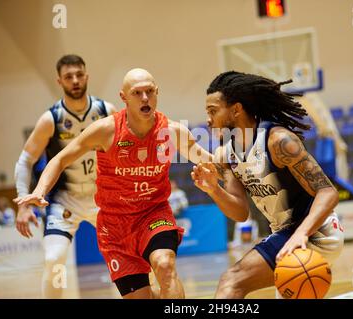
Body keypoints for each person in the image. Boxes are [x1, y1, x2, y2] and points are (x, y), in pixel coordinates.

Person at [15, 68, 213, 299]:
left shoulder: (172, 132)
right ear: (123, 97)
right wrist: (39, 191)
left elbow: (205, 159)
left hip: (153, 213)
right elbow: (60, 159)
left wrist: (230, 160)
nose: (145, 98)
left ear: (157, 92)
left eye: (149, 91)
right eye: (137, 93)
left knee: (165, 265)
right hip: (115, 224)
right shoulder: (106, 130)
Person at [191, 71, 344, 299]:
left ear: (236, 109)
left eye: (213, 111)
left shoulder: (278, 141)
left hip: (315, 231)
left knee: (231, 281)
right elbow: (240, 213)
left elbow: (328, 192)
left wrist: (300, 234)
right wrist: (214, 190)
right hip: (285, 234)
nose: (208, 119)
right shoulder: (228, 154)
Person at [14, 54, 117, 298]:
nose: (75, 81)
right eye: (69, 77)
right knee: (54, 258)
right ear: (59, 81)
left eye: (79, 75)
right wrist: (23, 202)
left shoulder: (106, 111)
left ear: (87, 76)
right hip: (64, 200)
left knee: (123, 257)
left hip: (102, 197)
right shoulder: (51, 119)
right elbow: (25, 160)